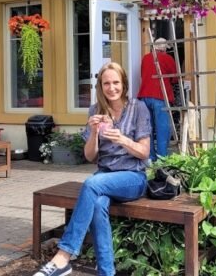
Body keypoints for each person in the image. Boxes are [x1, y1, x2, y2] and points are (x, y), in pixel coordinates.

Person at [33, 62, 151, 276]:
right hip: (104, 178)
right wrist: (95, 133)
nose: (111, 88)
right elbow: (90, 156)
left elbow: (144, 152)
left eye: (116, 82)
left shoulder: (138, 108)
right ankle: (107, 273)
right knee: (97, 204)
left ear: (123, 84)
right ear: (100, 86)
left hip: (133, 178)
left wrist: (123, 140)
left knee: (91, 183)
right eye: (106, 83)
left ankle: (63, 256)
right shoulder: (95, 110)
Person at [137, 37, 178, 160]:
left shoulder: (145, 58)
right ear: (164, 49)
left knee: (148, 128)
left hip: (144, 96)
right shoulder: (167, 58)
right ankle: (162, 158)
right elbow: (175, 78)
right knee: (162, 128)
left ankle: (150, 156)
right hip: (160, 96)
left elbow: (143, 74)